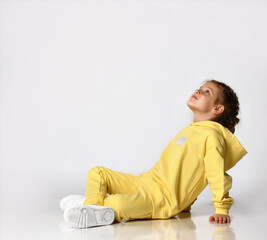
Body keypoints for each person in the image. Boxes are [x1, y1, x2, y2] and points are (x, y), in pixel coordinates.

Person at [60, 79, 247, 228]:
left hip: (161, 199)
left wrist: (221, 209)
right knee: (97, 173)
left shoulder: (212, 136)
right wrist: (188, 205)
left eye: (207, 92)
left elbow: (213, 173)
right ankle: (91, 206)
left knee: (116, 203)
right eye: (200, 88)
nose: (198, 91)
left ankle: (93, 208)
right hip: (146, 182)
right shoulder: (189, 131)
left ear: (217, 109)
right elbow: (188, 171)